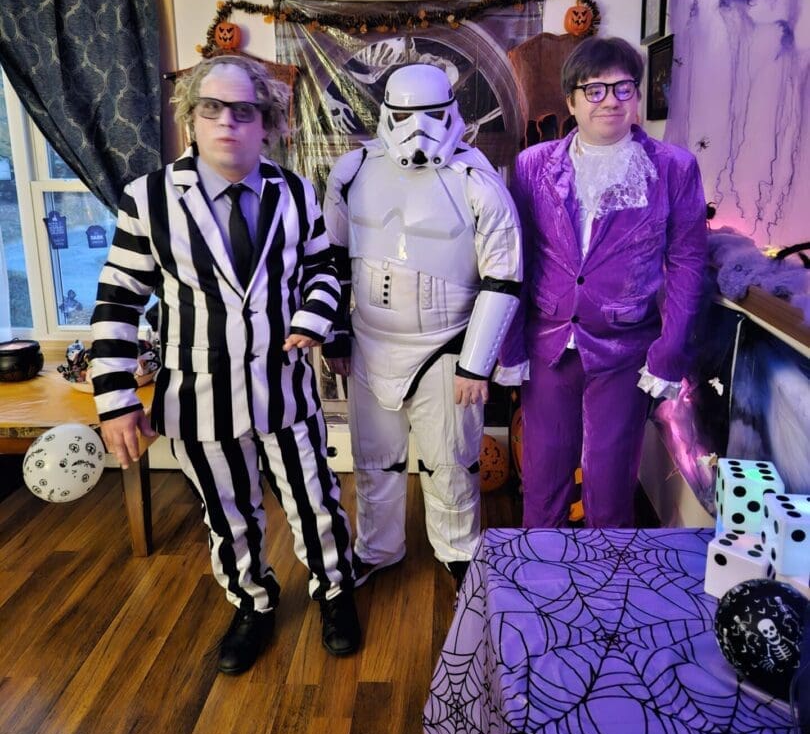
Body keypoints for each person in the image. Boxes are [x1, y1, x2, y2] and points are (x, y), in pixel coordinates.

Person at [90, 54, 360, 674]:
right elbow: (117, 302)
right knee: (228, 513)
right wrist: (116, 400)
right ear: (191, 118)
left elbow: (323, 270)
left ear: (265, 122)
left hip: (287, 390)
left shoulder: (293, 191)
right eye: (212, 108)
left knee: (316, 500)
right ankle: (253, 603)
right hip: (197, 396)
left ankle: (336, 593)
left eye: (244, 111)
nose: (228, 123)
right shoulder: (150, 198)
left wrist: (314, 316)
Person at [323, 62, 522, 590]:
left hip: (446, 345)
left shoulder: (477, 180)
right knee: (374, 460)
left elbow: (503, 279)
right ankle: (378, 547)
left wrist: (476, 364)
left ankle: (459, 550)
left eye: (432, 115)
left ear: (453, 113)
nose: (418, 129)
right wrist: (336, 335)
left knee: (451, 463)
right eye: (406, 115)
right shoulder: (352, 170)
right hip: (369, 343)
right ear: (386, 111)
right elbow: (333, 260)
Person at [499, 36, 706, 528]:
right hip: (548, 343)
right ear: (571, 101)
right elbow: (513, 258)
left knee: (611, 486)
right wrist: (509, 348)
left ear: (636, 97)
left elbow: (687, 261)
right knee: (542, 478)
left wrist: (669, 351)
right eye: (594, 89)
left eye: (622, 88)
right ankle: (539, 582)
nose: (609, 99)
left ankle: (603, 591)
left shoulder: (674, 167)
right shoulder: (533, 166)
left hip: (624, 350)